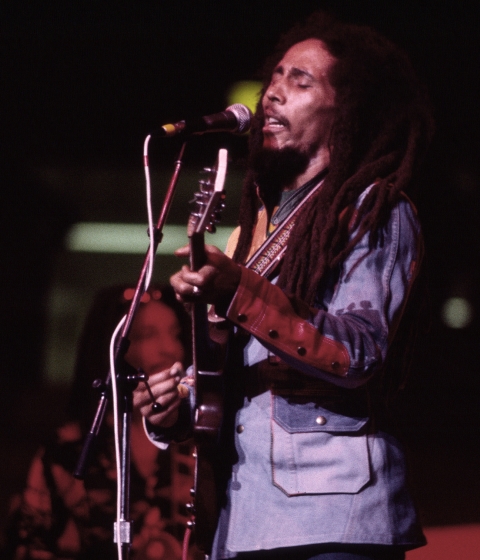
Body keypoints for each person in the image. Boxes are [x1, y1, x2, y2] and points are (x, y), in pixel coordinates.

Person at [135, 14, 433, 560]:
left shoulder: (372, 210)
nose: (273, 94)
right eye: (275, 77)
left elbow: (357, 350)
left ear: (347, 111)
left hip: (332, 519)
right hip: (247, 520)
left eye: (301, 81)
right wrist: (179, 405)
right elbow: (245, 378)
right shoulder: (259, 226)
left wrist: (238, 293)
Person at [5, 285, 194, 560]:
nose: (169, 349)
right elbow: (30, 543)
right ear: (114, 350)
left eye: (175, 334)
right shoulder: (69, 449)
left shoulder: (199, 439)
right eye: (148, 335)